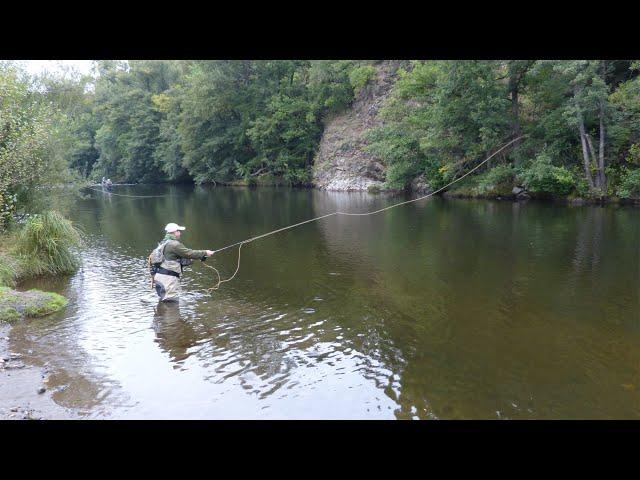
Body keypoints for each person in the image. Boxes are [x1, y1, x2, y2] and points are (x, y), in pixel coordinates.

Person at [153, 222, 215, 302]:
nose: (180, 233)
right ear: (175, 232)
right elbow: (189, 253)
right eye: (179, 231)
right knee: (171, 302)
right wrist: (205, 252)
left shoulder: (164, 243)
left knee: (165, 302)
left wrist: (199, 257)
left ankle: (162, 313)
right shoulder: (174, 244)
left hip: (160, 277)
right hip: (168, 279)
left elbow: (181, 259)